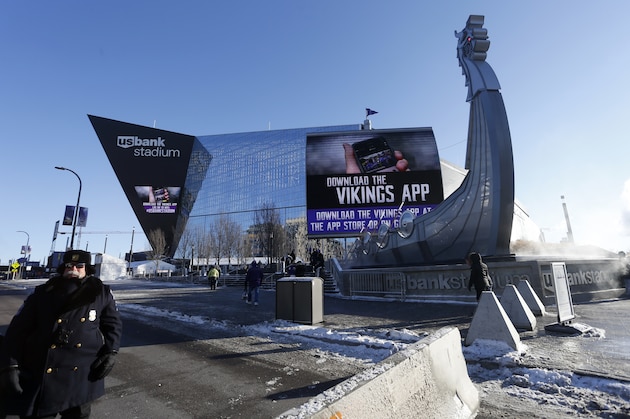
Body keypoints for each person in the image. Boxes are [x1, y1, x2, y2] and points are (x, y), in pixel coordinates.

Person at [0, 250, 122, 419]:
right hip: (42, 372)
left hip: (81, 375)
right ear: (62, 268)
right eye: (69, 265)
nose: (74, 269)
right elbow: (17, 330)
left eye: (80, 266)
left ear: (87, 269)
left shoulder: (100, 292)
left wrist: (111, 351)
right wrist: (10, 365)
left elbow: (113, 324)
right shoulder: (43, 292)